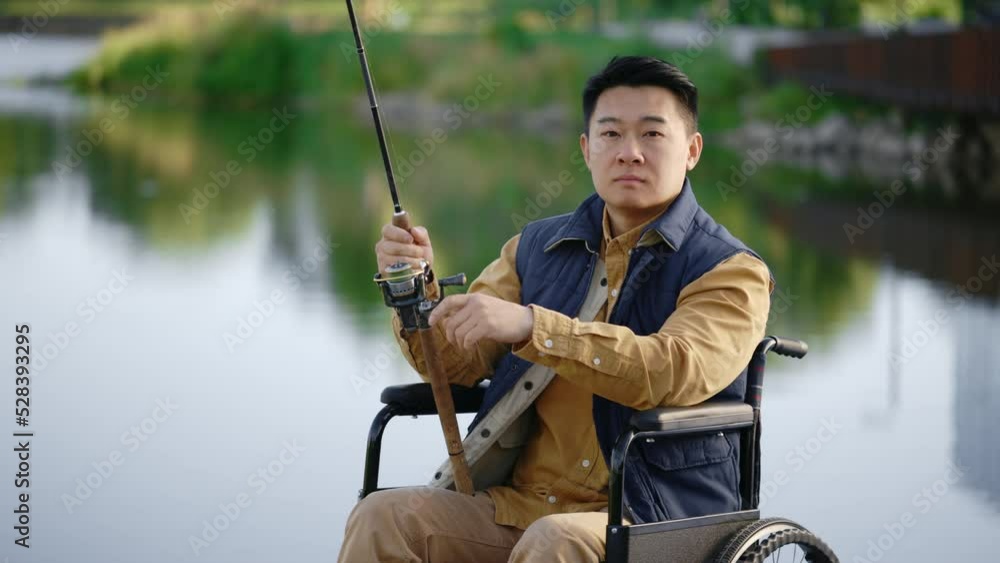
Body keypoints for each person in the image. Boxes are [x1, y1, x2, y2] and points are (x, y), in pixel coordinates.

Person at [338, 55, 774, 563]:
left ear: (692, 150)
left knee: (554, 540)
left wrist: (533, 327)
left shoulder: (730, 270)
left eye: (652, 134)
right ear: (587, 149)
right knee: (383, 516)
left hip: (652, 517)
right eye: (611, 134)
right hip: (521, 506)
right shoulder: (535, 248)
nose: (629, 153)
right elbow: (456, 366)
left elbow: (672, 370)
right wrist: (414, 291)